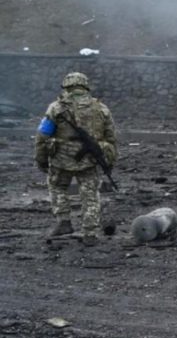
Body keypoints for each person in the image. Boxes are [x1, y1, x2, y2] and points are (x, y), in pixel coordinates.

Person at [34, 72, 118, 246]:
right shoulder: (101, 108)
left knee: (57, 187)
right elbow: (111, 138)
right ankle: (90, 232)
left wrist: (41, 159)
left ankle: (63, 221)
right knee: (90, 195)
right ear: (85, 87)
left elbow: (42, 136)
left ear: (66, 87)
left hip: (61, 159)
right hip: (89, 160)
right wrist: (109, 160)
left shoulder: (56, 108)